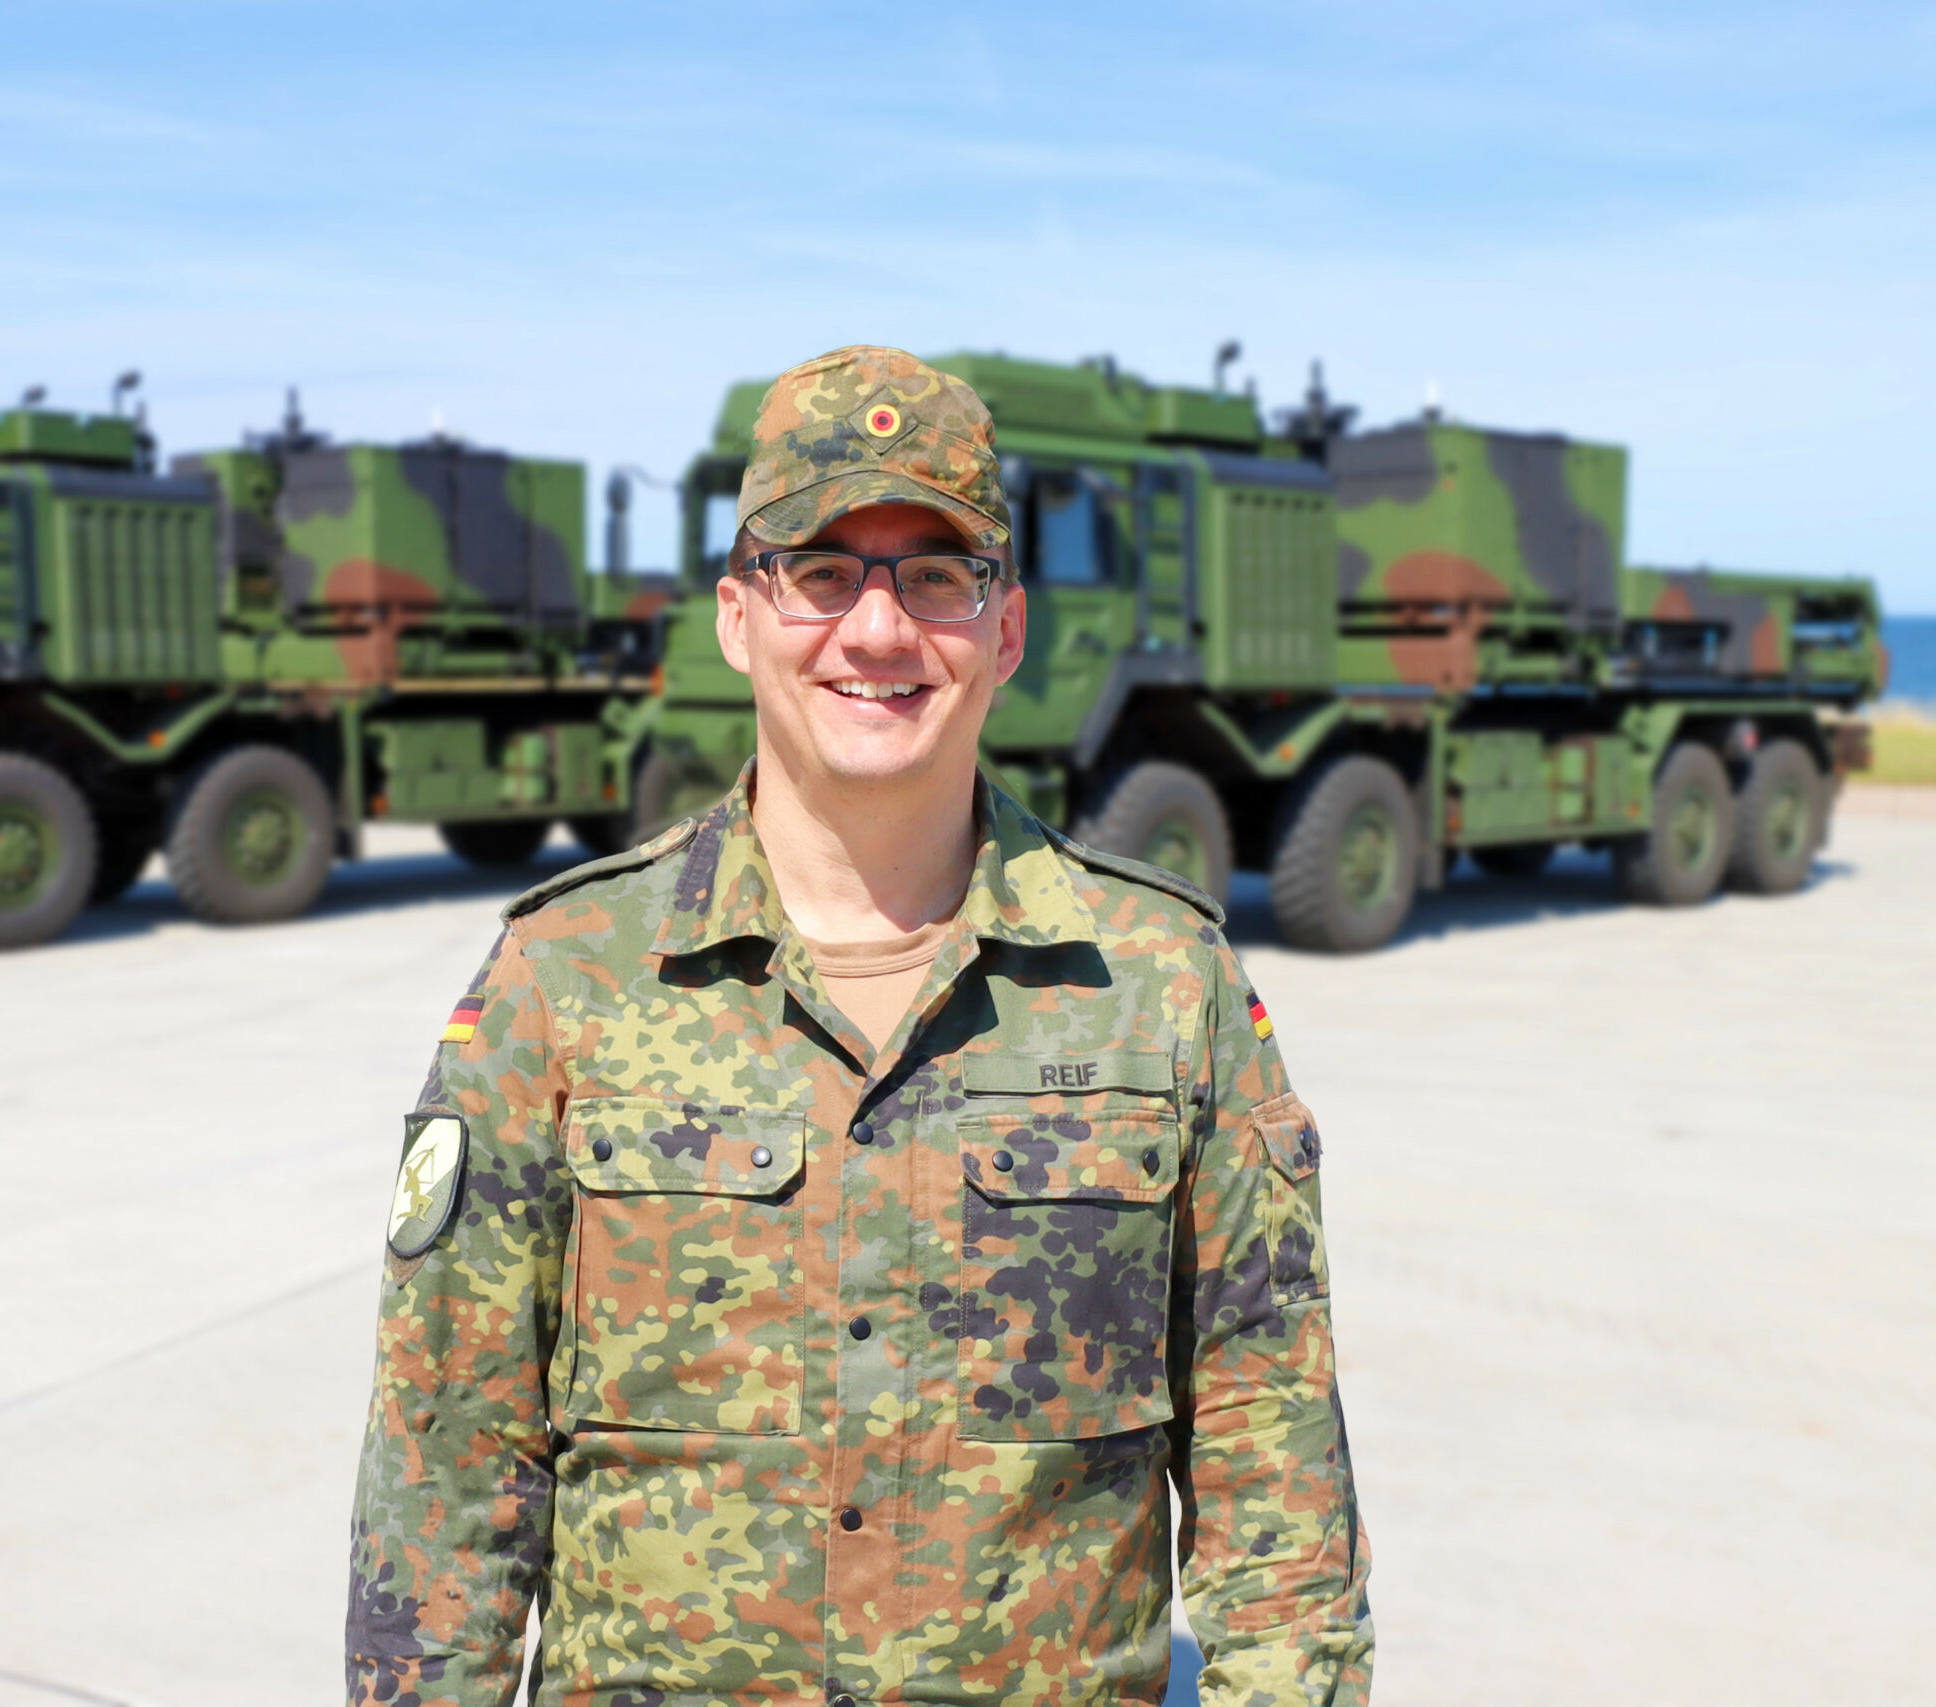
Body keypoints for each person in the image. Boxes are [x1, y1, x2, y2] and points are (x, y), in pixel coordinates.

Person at [347, 345, 1373, 1707]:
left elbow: (1274, 1487)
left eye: (936, 576)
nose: (879, 632)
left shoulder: (1163, 988)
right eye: (822, 571)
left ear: (1006, 630)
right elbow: (447, 1478)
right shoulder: (566, 981)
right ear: (737, 616)